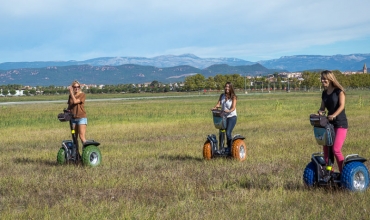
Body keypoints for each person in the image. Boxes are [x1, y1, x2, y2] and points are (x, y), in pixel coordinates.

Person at [318, 70, 348, 173]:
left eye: (324, 79)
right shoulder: (324, 93)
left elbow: (342, 106)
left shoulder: (339, 91)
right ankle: (330, 173)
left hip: (340, 124)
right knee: (326, 150)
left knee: (335, 149)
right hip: (329, 125)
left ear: (330, 79)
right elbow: (322, 108)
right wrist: (320, 112)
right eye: (322, 79)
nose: (323, 81)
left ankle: (343, 173)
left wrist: (334, 115)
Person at [211, 82, 237, 152]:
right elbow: (218, 104)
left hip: (232, 117)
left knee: (228, 132)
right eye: (226, 87)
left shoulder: (233, 97)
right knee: (221, 132)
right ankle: (221, 148)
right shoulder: (222, 95)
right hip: (223, 117)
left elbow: (233, 108)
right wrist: (214, 108)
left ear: (231, 88)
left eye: (228, 87)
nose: (227, 88)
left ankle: (230, 148)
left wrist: (228, 111)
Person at [67, 80, 88, 145]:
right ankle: (76, 153)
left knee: (81, 137)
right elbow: (69, 106)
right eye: (75, 87)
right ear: (72, 87)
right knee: (74, 137)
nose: (76, 88)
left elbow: (75, 101)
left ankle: (86, 152)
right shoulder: (70, 96)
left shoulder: (82, 95)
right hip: (73, 119)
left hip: (81, 118)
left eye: (78, 87)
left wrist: (71, 93)